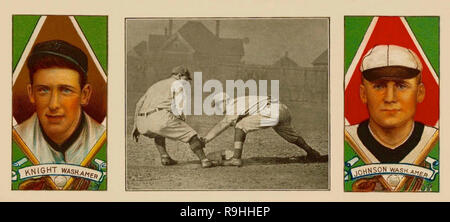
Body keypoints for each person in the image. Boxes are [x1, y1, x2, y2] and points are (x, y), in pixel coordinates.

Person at [345, 44, 439, 191]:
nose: (390, 98)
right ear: (363, 94)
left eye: (401, 86)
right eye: (379, 86)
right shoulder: (342, 139)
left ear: (420, 93)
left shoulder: (438, 140)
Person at [14, 40, 106, 189]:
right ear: (31, 93)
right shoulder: (12, 140)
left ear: (85, 94)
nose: (53, 104)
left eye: (65, 90)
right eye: (43, 90)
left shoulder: (106, 140)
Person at [201, 93, 321, 167]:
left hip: (270, 111)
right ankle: (312, 153)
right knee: (291, 136)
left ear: (224, 101)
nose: (217, 108)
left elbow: (223, 124)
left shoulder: (233, 105)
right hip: (282, 108)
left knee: (241, 125)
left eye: (217, 105)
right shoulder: (241, 100)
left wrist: (206, 139)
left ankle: (236, 159)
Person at [132, 65, 214, 168]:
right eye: (186, 79)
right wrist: (184, 124)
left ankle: (165, 157)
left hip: (142, 123)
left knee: (159, 132)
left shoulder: (156, 84)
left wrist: (136, 125)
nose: (187, 82)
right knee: (191, 134)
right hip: (159, 117)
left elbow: (138, 104)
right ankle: (205, 160)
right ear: (179, 75)